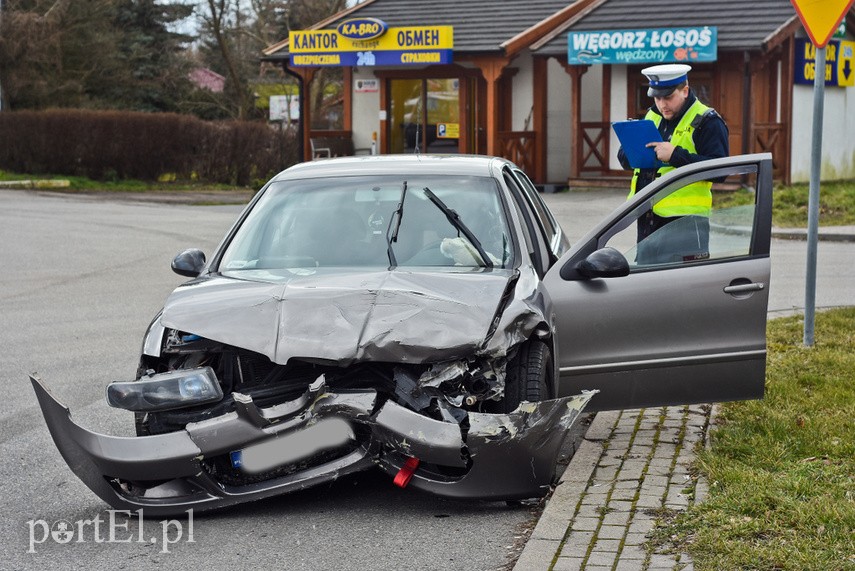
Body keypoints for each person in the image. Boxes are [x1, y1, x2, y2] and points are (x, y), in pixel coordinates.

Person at [617, 63, 729, 263]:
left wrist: (676, 155)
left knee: (683, 290)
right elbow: (633, 163)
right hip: (648, 218)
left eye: (668, 97)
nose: (662, 104)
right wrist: (628, 151)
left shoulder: (707, 121)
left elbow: (720, 171)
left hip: (686, 225)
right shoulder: (652, 115)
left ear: (685, 91)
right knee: (647, 286)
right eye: (657, 97)